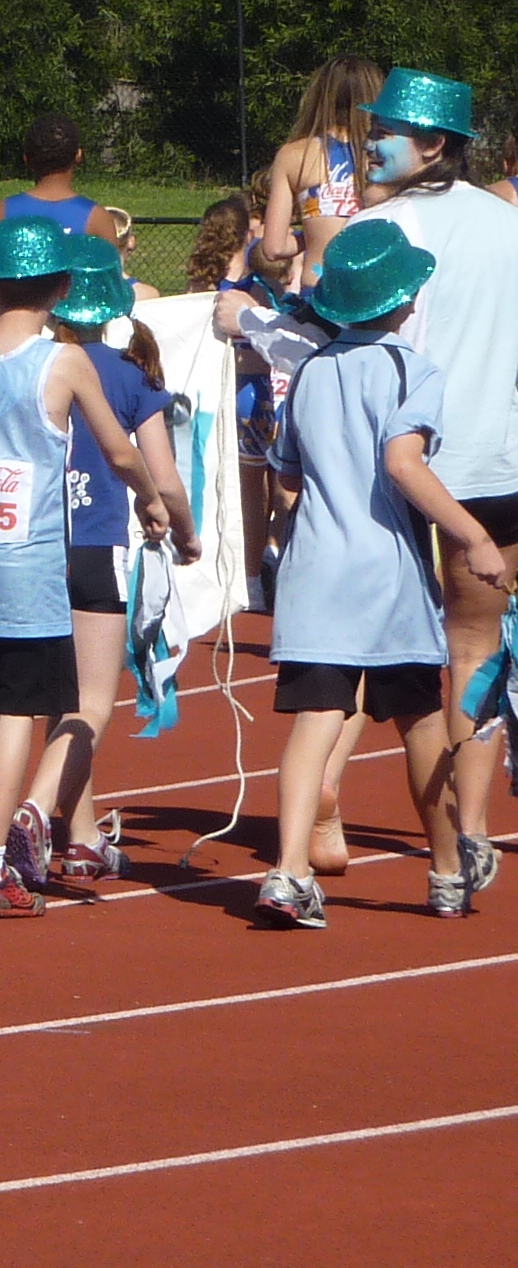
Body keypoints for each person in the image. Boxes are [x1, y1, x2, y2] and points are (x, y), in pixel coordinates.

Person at [254, 221, 504, 924]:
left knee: (315, 721)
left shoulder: (310, 371)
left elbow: (286, 476)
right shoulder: (412, 372)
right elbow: (403, 464)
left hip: (314, 571)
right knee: (421, 720)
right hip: (386, 573)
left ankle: (288, 870)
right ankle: (448, 869)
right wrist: (474, 536)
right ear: (404, 300)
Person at [0, 217, 160, 919]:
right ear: (61, 288)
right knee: (19, 715)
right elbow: (119, 450)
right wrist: (151, 499)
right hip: (28, 564)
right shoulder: (63, 361)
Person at [348, 68, 518, 898]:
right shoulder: (508, 223)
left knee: (358, 649)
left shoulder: (382, 225)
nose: (370, 141)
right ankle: (471, 830)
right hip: (495, 460)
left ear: (433, 144)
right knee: (476, 651)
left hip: (400, 463)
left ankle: (327, 819)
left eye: (386, 130)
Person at [18, 242, 197, 882]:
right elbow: (164, 477)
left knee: (58, 702)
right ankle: (35, 812)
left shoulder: (35, 363)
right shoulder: (128, 374)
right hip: (97, 545)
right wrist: (185, 532)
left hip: (33, 546)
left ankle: (83, 834)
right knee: (92, 703)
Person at [0, 114, 130, 320]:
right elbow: (110, 292)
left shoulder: (2, 211)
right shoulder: (97, 218)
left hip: (17, 332)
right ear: (78, 156)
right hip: (75, 335)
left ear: (27, 159)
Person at [257, 52, 387, 281]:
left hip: (318, 283)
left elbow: (274, 248)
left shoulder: (294, 156)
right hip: (374, 286)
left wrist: (313, 234)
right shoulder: (388, 154)